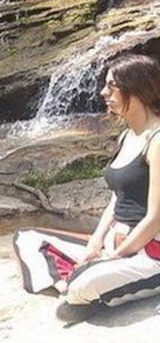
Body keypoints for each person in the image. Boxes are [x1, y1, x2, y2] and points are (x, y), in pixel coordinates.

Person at [13, 53, 160, 323]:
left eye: (111, 86)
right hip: (114, 244)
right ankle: (74, 287)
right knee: (27, 238)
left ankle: (79, 287)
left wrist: (114, 256)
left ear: (136, 89)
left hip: (149, 252)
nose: (103, 93)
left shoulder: (158, 140)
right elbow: (117, 199)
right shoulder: (127, 136)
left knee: (84, 284)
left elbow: (154, 219)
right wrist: (94, 245)